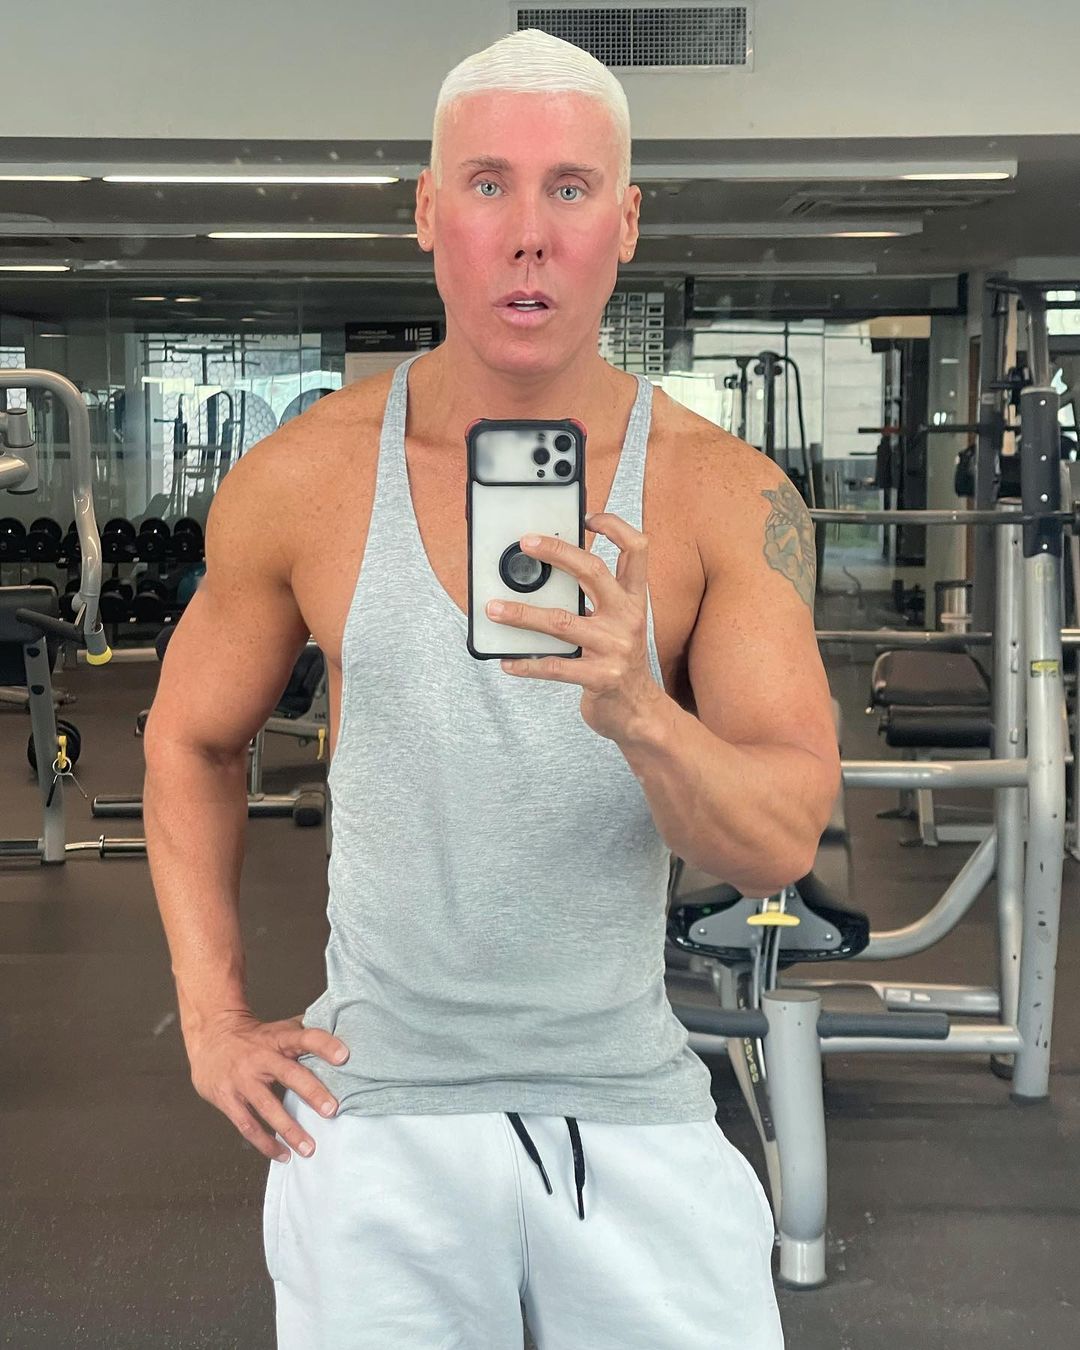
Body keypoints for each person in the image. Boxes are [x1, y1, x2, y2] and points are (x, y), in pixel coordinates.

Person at [144, 27, 839, 1350]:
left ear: (624, 223)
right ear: (427, 212)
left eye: (570, 188)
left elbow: (782, 839)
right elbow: (187, 738)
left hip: (632, 1108)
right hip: (372, 1116)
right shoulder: (304, 478)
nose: (529, 236)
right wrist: (214, 1021)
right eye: (488, 184)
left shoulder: (722, 495)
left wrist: (642, 712)